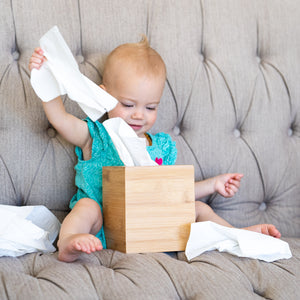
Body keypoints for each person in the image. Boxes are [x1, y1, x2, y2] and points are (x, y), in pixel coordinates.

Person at [29, 36, 281, 262]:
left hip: (149, 224)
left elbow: (174, 194)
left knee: (198, 209)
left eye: (150, 107)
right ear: (103, 95)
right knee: (87, 206)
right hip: (102, 228)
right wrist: (44, 77)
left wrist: (213, 185)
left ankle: (233, 235)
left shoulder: (160, 147)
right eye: (128, 104)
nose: (139, 115)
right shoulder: (97, 136)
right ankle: (69, 241)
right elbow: (59, 119)